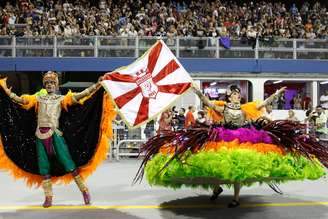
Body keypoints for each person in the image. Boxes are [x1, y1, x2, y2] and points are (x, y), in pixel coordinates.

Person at [135, 84, 328, 208]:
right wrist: (197, 91)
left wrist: (276, 94)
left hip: (243, 137)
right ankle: (217, 188)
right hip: (223, 135)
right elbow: (208, 104)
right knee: (219, 165)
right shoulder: (223, 107)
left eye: (238, 94)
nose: (237, 96)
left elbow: (262, 105)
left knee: (238, 167)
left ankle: (236, 198)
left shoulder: (244, 110)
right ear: (229, 97)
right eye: (235, 94)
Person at [0, 71, 116, 208]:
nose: (49, 85)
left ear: (56, 85)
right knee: (44, 167)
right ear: (44, 85)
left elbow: (81, 96)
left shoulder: (61, 99)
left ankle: (84, 191)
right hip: (40, 136)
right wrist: (4, 90)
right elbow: (20, 100)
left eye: (52, 83)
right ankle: (48, 197)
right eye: (47, 83)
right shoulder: (38, 99)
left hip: (55, 135)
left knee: (69, 164)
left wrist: (97, 85)